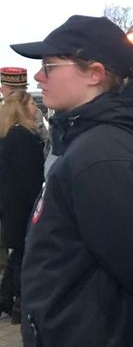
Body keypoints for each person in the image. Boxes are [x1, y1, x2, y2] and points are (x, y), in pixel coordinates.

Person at [10, 15, 133, 346]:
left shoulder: (100, 153)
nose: (38, 77)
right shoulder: (89, 141)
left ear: (95, 74)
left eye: (50, 66)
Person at [0, 92, 44, 324]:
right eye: (32, 103)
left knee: (18, 253)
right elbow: (30, 177)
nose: (36, 108)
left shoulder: (9, 134)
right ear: (24, 106)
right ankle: (18, 303)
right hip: (23, 206)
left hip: (12, 204)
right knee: (22, 255)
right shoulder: (24, 137)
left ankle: (7, 300)